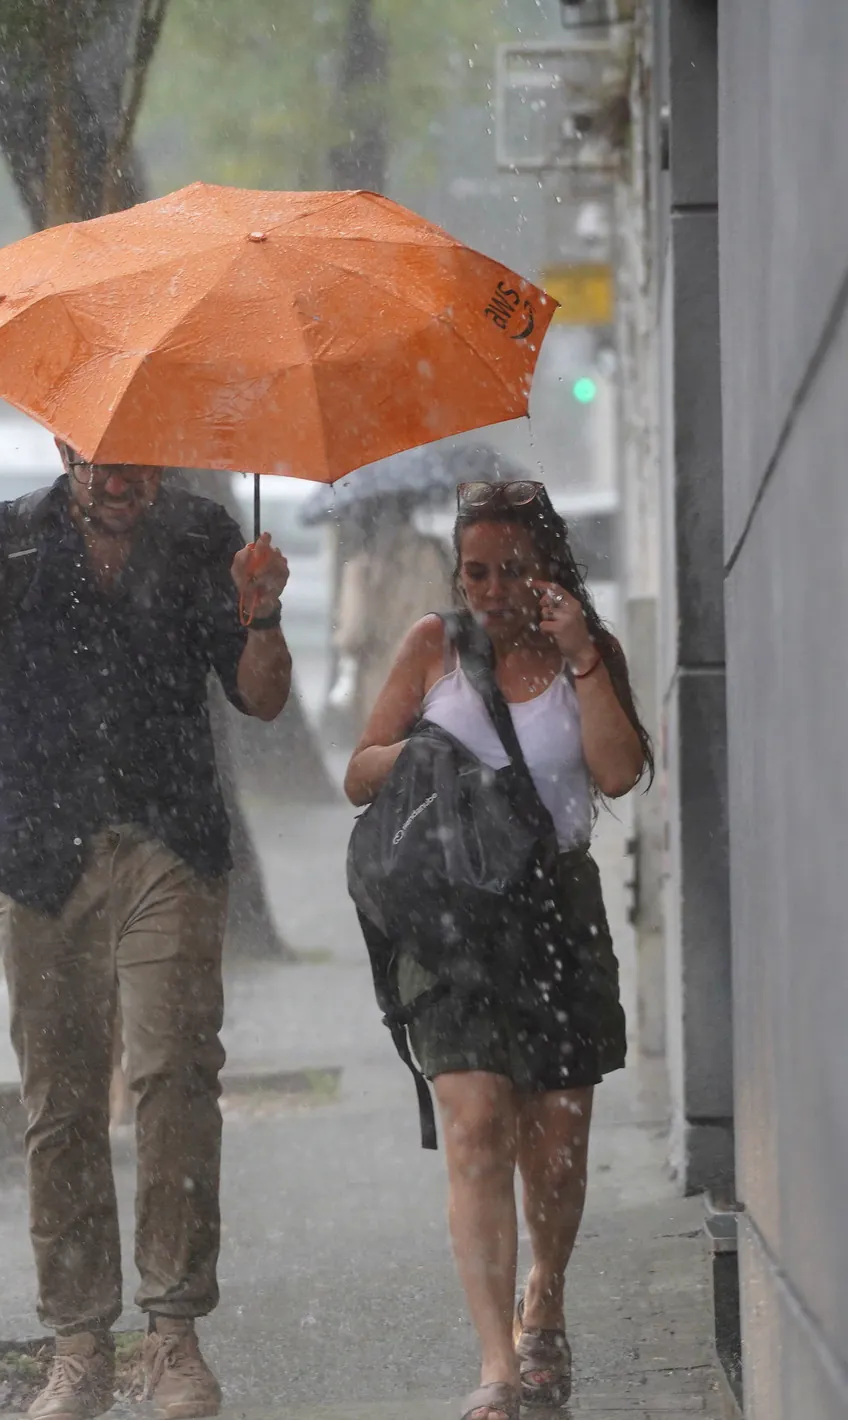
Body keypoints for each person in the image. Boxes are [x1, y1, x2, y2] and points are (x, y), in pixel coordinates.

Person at [0, 448, 291, 1420]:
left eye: (139, 459)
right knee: (60, 1100)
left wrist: (260, 609)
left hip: (168, 844)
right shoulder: (5, 541)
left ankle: (171, 1335)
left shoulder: (199, 538)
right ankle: (76, 1342)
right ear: (65, 446)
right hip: (36, 851)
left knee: (173, 1076)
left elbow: (263, 694)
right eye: (103, 459)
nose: (122, 476)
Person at [342, 480, 652, 1420]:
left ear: (547, 568)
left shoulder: (584, 656)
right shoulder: (432, 647)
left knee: (556, 1138)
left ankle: (543, 1302)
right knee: (476, 1123)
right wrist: (428, 752)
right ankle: (497, 1368)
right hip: (449, 915)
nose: (488, 587)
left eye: (509, 569)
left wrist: (583, 658)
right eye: (473, 568)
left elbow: (618, 771)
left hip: (554, 907)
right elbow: (360, 773)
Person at [329, 496, 453, 730]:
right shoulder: (437, 554)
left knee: (385, 760)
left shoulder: (364, 565)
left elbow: (352, 635)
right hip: (432, 681)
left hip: (382, 686)